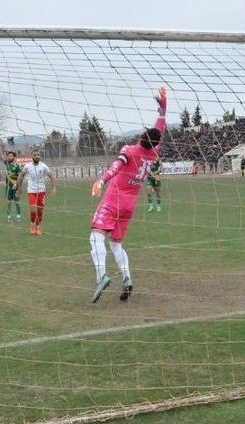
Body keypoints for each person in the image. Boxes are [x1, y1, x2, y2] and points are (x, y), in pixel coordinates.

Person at [89, 86, 167, 303]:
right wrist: (163, 108)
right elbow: (159, 130)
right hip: (129, 206)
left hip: (113, 201)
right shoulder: (153, 153)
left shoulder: (129, 150)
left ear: (141, 137)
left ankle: (100, 276)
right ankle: (127, 278)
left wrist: (100, 181)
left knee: (95, 235)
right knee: (116, 244)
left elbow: (115, 166)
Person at [17, 150, 56, 235]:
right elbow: (21, 176)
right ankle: (32, 225)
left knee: (40, 211)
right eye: (35, 155)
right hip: (31, 191)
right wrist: (19, 188)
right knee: (33, 210)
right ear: (32, 156)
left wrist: (54, 187)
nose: (37, 156)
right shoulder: (27, 166)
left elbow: (51, 176)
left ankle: (38, 226)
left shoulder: (44, 166)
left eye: (38, 155)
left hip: (42, 191)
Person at [2, 149, 23, 222]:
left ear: (14, 157)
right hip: (8, 186)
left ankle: (18, 216)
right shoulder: (7, 163)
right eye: (8, 156)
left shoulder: (18, 165)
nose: (9, 157)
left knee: (17, 201)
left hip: (15, 186)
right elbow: (1, 155)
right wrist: (1, 148)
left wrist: (16, 185)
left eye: (11, 156)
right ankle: (8, 217)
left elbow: (20, 177)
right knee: (8, 202)